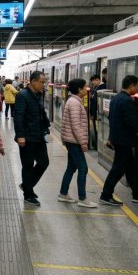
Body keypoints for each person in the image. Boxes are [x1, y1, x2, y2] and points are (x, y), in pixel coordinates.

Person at [100, 75, 138, 206]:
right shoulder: (127, 101)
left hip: (118, 139)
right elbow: (130, 122)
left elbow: (112, 119)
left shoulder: (116, 98)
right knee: (117, 169)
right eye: (137, 86)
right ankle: (105, 195)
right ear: (131, 86)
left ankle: (137, 194)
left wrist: (110, 138)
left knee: (130, 168)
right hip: (124, 140)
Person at [58, 78, 97, 207]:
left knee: (71, 167)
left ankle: (63, 194)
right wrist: (83, 142)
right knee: (83, 168)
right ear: (80, 89)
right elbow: (76, 125)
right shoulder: (75, 103)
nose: (87, 89)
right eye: (85, 87)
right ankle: (82, 198)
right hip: (74, 141)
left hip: (71, 139)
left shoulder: (73, 101)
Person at [14, 71, 51, 207]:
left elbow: (40, 113)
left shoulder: (38, 95)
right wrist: (20, 136)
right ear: (33, 81)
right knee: (28, 165)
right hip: (27, 137)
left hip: (39, 135)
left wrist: (46, 126)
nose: (44, 85)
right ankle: (28, 194)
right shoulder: (22, 96)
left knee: (44, 162)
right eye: (42, 82)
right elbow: (18, 117)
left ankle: (27, 185)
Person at [88, 74, 105, 139]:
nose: (92, 83)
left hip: (97, 112)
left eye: (93, 81)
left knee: (97, 128)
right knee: (95, 127)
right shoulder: (96, 87)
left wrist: (92, 113)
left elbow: (95, 101)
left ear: (98, 80)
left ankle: (97, 141)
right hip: (95, 112)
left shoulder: (102, 87)